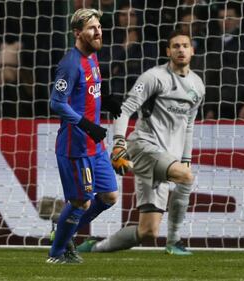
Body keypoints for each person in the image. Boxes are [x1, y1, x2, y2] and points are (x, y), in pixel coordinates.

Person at [77, 30, 205, 255]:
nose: (181, 49)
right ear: (168, 51)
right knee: (186, 177)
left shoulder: (197, 85)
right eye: (175, 46)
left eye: (185, 45)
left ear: (192, 50)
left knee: (147, 231)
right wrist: (119, 143)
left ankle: (94, 247)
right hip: (144, 146)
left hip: (167, 158)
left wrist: (185, 159)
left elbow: (189, 125)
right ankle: (174, 241)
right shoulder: (154, 77)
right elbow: (124, 110)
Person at [47, 8, 122, 264]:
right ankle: (57, 253)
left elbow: (89, 89)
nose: (98, 31)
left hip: (95, 144)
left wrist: (107, 99)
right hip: (76, 145)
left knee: (109, 196)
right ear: (78, 33)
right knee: (82, 201)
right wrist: (86, 124)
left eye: (99, 27)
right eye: (92, 28)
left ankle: (64, 229)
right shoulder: (70, 63)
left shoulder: (92, 57)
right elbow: (56, 102)